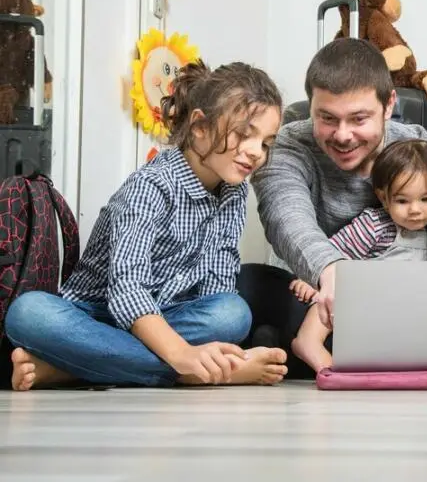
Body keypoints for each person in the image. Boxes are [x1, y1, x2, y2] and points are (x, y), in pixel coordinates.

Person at [5, 60, 289, 390]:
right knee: (28, 313)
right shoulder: (150, 186)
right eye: (243, 135)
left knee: (233, 313)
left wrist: (193, 344)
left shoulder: (234, 192)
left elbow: (216, 289)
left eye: (266, 143)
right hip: (96, 316)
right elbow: (127, 290)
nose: (256, 153)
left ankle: (73, 368)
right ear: (199, 126)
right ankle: (189, 373)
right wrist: (184, 355)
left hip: (167, 318)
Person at [244, 37, 427, 361]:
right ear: (311, 107)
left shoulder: (426, 149)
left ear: (388, 106)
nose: (343, 135)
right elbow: (286, 216)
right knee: (249, 286)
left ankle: (289, 348)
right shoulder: (287, 144)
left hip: (405, 300)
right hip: (314, 297)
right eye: (327, 118)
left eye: (359, 119)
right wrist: (331, 271)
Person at [290, 139, 427, 372]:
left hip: (394, 313)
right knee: (339, 289)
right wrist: (309, 280)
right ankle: (309, 341)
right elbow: (330, 254)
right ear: (384, 198)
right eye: (402, 201)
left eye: (426, 199)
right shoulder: (375, 225)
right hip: (361, 304)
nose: (415, 210)